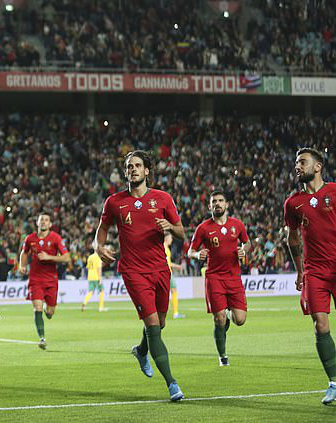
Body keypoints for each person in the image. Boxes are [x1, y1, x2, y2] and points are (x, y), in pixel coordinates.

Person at [94, 150, 185, 401]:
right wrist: (98, 247)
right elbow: (101, 232)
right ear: (126, 172)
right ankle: (172, 384)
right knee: (154, 326)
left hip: (160, 269)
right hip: (133, 271)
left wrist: (171, 228)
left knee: (160, 323)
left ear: (147, 171)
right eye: (129, 166)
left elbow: (181, 232)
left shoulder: (163, 199)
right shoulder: (114, 202)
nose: (132, 169)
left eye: (137, 165)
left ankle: (141, 351)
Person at [284, 148, 336, 404]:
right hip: (314, 270)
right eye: (296, 163)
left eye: (302, 162)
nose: (297, 166)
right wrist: (299, 270)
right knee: (320, 323)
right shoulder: (293, 203)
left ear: (317, 167)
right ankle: (334, 381)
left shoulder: (335, 192)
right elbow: (292, 239)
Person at [188, 191, 250, 366]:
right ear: (209, 206)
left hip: (234, 277)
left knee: (240, 320)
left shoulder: (237, 225)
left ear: (226, 204)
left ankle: (228, 317)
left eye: (221, 201)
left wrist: (244, 250)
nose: (217, 203)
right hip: (214, 277)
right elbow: (190, 251)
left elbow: (247, 242)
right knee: (219, 318)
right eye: (214, 201)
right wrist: (197, 254)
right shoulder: (203, 228)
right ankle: (223, 356)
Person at [19, 213, 71, 350]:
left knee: (50, 312)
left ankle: (48, 313)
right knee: (37, 307)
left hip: (51, 280)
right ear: (37, 222)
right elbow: (24, 253)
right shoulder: (30, 239)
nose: (43, 222)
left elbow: (66, 258)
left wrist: (49, 257)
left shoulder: (56, 238)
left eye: (46, 220)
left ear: (50, 224)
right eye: (41, 220)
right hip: (35, 279)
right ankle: (42, 338)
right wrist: (22, 265)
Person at [165, 233, 185, 319]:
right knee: (174, 291)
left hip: (167, 272)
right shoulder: (165, 249)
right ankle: (176, 313)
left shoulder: (166, 249)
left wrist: (177, 266)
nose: (171, 240)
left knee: (171, 291)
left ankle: (175, 312)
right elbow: (165, 263)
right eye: (170, 238)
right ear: (166, 238)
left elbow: (168, 263)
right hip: (167, 273)